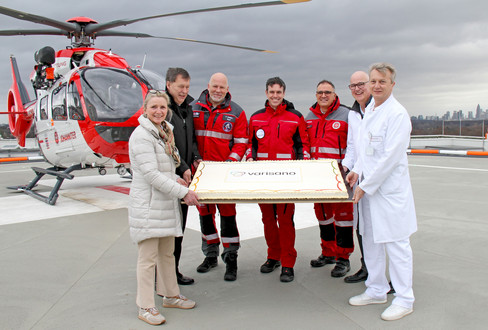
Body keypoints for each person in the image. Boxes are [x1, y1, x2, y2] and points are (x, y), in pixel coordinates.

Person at [346, 63, 417, 321]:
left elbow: (390, 157)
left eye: (381, 82)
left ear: (392, 85)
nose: (376, 86)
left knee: (397, 244)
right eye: (373, 81)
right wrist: (356, 171)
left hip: (388, 192)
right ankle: (376, 289)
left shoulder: (397, 114)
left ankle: (404, 298)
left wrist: (365, 185)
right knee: (371, 240)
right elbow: (366, 150)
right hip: (369, 190)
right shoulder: (372, 110)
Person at [128, 90, 199, 325]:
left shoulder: (164, 132)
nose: (158, 111)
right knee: (147, 258)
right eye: (153, 107)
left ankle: (170, 295)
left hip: (164, 204)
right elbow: (150, 174)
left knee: (167, 254)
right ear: (145, 109)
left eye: (162, 107)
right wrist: (183, 192)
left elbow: (165, 168)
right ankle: (146, 306)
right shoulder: (142, 136)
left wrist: (177, 178)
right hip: (149, 206)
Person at [246, 77, 310, 282]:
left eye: (278, 92)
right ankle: (273, 256)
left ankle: (288, 262)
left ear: (283, 93)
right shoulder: (255, 118)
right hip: (262, 178)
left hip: (286, 179)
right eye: (271, 92)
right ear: (266, 93)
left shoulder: (295, 116)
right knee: (267, 220)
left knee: (285, 220)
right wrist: (249, 158)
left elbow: (302, 146)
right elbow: (251, 145)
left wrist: (302, 168)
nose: (275, 96)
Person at [191, 73, 248, 281]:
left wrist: (230, 164)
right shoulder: (193, 109)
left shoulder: (237, 112)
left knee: (228, 216)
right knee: (205, 215)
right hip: (200, 173)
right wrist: (195, 158)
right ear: (208, 86)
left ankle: (231, 258)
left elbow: (242, 142)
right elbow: (188, 138)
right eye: (214, 86)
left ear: (227, 88)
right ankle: (210, 255)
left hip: (224, 175)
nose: (218, 90)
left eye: (221, 87)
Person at [305, 80, 354, 278]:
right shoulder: (309, 116)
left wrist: (349, 168)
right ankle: (328, 252)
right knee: (323, 216)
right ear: (316, 94)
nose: (323, 96)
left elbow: (354, 146)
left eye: (328, 92)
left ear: (334, 95)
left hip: (339, 178)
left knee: (343, 219)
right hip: (318, 178)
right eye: (320, 92)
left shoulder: (347, 115)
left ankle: (343, 258)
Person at [165, 67, 201, 286]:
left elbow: (191, 139)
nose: (184, 91)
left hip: (185, 179)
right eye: (180, 87)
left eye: (187, 87)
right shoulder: (164, 110)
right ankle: (165, 276)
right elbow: (169, 147)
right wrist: (184, 166)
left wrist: (195, 156)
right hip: (172, 178)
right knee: (169, 231)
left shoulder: (186, 108)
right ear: (169, 85)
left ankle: (173, 271)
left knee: (179, 229)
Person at [342, 71, 372, 283]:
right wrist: (343, 168)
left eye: (361, 84)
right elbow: (352, 147)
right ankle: (367, 267)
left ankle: (391, 277)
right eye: (353, 86)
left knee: (380, 227)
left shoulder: (377, 110)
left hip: (375, 178)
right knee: (361, 225)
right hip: (359, 178)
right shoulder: (353, 113)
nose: (357, 88)